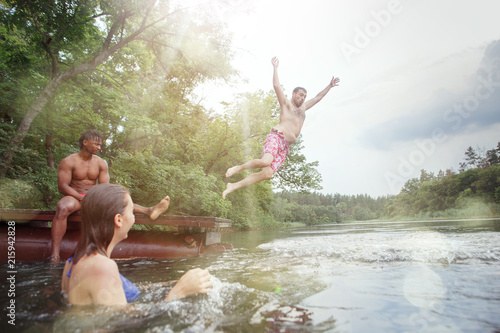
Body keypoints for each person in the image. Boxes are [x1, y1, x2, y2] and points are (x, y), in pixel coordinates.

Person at [61, 183, 212, 305]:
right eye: (132, 212)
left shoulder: (73, 261)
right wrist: (180, 291)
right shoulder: (102, 267)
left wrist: (171, 284)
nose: (133, 218)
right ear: (119, 219)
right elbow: (124, 323)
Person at [223, 57, 340, 199]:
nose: (303, 98)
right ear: (294, 94)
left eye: (304, 96)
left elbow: (317, 97)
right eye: (301, 95)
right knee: (265, 161)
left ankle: (233, 186)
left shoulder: (303, 108)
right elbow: (277, 86)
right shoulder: (286, 104)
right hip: (277, 137)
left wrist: (330, 86)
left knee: (267, 174)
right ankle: (238, 168)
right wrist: (275, 68)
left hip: (285, 147)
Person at [50, 130, 171, 264]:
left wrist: (94, 198)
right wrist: (80, 197)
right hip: (74, 195)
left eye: (100, 145)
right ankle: (54, 255)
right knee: (62, 207)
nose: (99, 148)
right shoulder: (69, 161)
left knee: (117, 201)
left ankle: (149, 210)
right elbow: (63, 186)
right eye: (96, 144)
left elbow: (105, 189)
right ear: (85, 143)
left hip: (93, 195)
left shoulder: (101, 163)